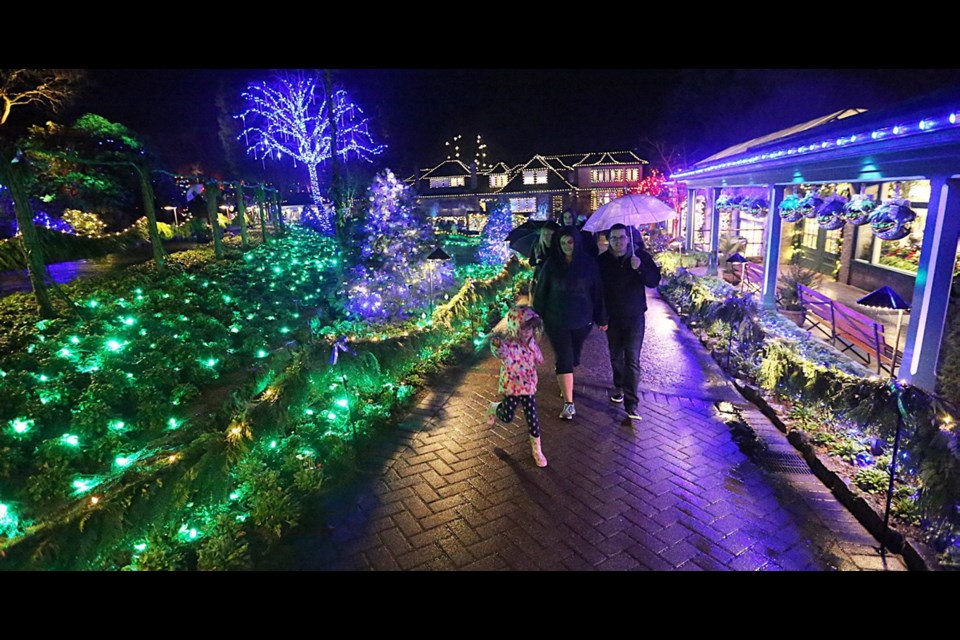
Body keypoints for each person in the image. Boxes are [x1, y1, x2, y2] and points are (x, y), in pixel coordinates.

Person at [533, 225, 608, 420]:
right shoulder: (551, 265)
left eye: (571, 242)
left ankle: (566, 374)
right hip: (556, 319)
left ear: (577, 242)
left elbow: (597, 292)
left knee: (574, 356)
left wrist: (601, 317)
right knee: (564, 357)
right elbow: (542, 292)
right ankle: (569, 403)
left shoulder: (589, 264)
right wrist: (536, 318)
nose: (567, 246)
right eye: (563, 242)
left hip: (582, 320)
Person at [596, 223, 662, 421]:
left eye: (622, 237)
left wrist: (640, 268)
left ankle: (631, 404)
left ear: (628, 238)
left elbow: (653, 281)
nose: (618, 242)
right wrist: (601, 316)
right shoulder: (603, 261)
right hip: (613, 318)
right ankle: (619, 386)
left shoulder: (640, 256)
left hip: (634, 317)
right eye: (614, 238)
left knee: (632, 359)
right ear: (609, 240)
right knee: (616, 357)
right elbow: (598, 291)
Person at [486, 305, 548, 467]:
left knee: (532, 417)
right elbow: (501, 353)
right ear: (515, 328)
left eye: (530, 328)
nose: (527, 332)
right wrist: (497, 345)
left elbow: (537, 355)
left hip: (528, 387)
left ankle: (537, 450)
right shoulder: (508, 345)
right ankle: (494, 408)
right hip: (512, 387)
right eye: (523, 329)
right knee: (507, 416)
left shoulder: (532, 342)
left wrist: (539, 358)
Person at [529, 221, 560, 297]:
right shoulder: (537, 246)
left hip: (554, 282)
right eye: (544, 234)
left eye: (549, 234)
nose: (546, 237)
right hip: (540, 280)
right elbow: (531, 262)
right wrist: (537, 261)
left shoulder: (558, 248)